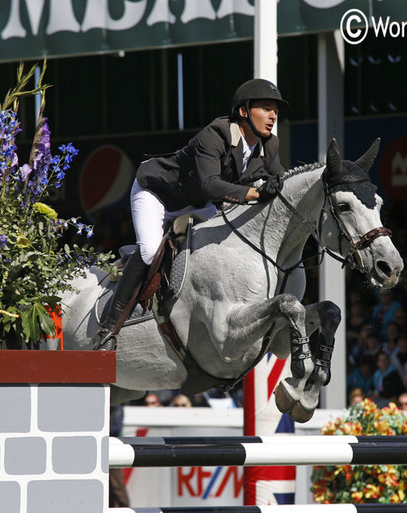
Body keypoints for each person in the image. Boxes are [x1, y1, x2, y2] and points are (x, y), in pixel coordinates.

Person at [97, 79, 288, 348]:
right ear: (244, 111)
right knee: (151, 249)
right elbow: (210, 184)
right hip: (158, 193)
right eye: (266, 108)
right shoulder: (217, 134)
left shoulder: (270, 145)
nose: (272, 116)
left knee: (225, 245)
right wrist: (256, 193)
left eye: (276, 111)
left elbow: (278, 179)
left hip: (198, 203)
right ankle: (108, 327)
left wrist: (277, 184)